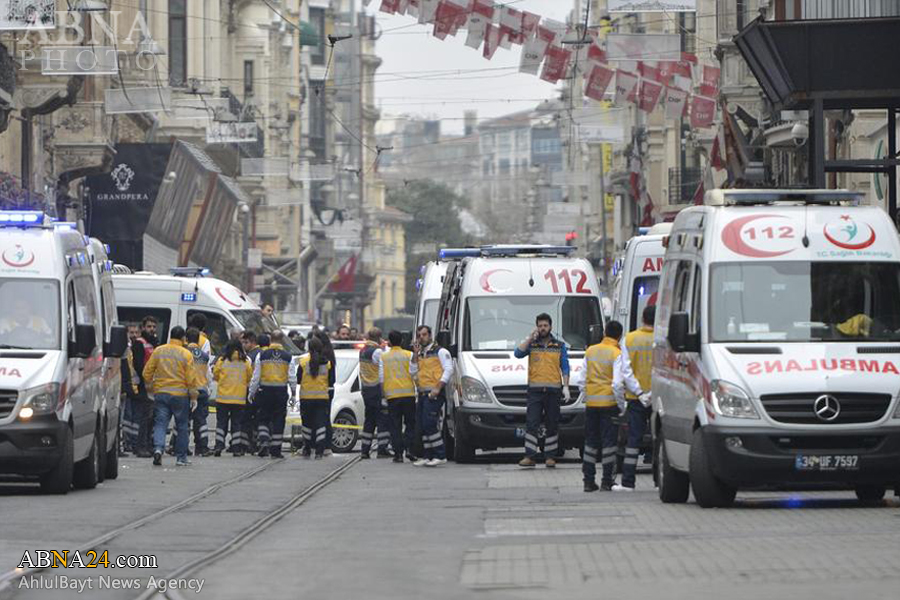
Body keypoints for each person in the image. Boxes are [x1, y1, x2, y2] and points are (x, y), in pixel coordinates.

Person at [573, 320, 644, 492]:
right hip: (610, 404)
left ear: (605, 332)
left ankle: (588, 481)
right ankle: (606, 481)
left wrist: (588, 396)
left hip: (592, 404)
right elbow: (617, 384)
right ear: (619, 335)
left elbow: (581, 380)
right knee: (609, 444)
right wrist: (621, 406)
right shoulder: (616, 353)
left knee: (590, 443)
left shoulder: (590, 350)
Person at [514, 313, 570, 469]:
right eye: (540, 326)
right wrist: (530, 338)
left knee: (552, 424)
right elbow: (517, 353)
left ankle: (550, 457)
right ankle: (530, 456)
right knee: (532, 424)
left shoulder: (559, 346)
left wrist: (566, 386)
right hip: (535, 391)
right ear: (536, 327)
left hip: (554, 391)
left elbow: (565, 367)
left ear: (550, 327)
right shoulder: (532, 345)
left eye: (545, 325)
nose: (542, 328)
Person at [143, 326, 200, 467]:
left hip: (161, 394)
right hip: (180, 396)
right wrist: (193, 397)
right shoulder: (186, 354)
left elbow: (146, 373)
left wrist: (151, 388)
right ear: (183, 338)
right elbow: (191, 379)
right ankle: (181, 458)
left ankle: (157, 449)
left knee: (160, 424)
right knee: (182, 427)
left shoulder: (159, 351)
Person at [617, 306, 656, 491]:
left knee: (633, 440)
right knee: (659, 440)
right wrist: (652, 392)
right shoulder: (663, 339)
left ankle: (628, 483)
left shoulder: (630, 339)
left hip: (636, 398)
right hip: (659, 398)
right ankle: (659, 482)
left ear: (642, 318)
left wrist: (640, 393)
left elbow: (626, 370)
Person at [411, 325, 453, 467]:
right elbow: (412, 371)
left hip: (434, 393)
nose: (421, 338)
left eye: (424, 335)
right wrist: (415, 355)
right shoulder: (420, 353)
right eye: (419, 335)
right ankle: (428, 456)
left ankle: (440, 455)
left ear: (430, 335)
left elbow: (448, 369)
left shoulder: (440, 351)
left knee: (430, 424)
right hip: (422, 393)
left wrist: (438, 388)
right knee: (423, 425)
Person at [249, 330, 293, 458]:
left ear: (270, 340)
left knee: (263, 418)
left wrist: (251, 392)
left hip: (265, 391)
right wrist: (294, 392)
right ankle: (276, 450)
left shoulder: (262, 355)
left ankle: (263, 440)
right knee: (279, 420)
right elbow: (291, 377)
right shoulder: (287, 356)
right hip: (280, 392)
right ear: (282, 340)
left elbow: (256, 376)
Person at [213, 340, 254, 456]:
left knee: (221, 423)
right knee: (236, 424)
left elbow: (215, 375)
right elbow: (249, 378)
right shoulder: (245, 362)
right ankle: (236, 448)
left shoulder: (221, 361)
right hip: (239, 399)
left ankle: (219, 446)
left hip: (222, 398)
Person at [382, 330, 417, 464]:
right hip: (408, 394)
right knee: (410, 424)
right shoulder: (409, 355)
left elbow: (381, 378)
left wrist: (383, 395)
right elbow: (414, 372)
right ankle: (409, 449)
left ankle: (398, 454)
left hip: (392, 396)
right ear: (402, 341)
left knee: (395, 426)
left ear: (389, 342)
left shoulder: (384, 357)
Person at [298, 336, 333, 459]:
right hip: (322, 398)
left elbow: (298, 379)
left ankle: (307, 448)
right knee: (320, 425)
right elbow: (331, 381)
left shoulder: (302, 362)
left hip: (306, 398)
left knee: (307, 425)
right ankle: (319, 451)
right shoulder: (327, 363)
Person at [358, 327, 390, 459]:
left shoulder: (362, 350)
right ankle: (382, 449)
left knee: (369, 420)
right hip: (376, 389)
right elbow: (382, 369)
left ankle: (364, 450)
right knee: (382, 419)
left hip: (366, 389)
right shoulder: (377, 352)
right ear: (379, 338)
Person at [130, 316, 159, 458]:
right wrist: (146, 380)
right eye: (149, 326)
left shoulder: (154, 343)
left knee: (151, 418)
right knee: (144, 418)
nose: (152, 329)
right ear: (143, 328)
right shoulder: (139, 343)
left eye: (154, 326)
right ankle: (140, 447)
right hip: (144, 386)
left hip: (153, 386)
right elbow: (139, 365)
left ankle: (147, 445)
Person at [185, 327, 213, 457]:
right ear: (198, 340)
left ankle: (180, 446)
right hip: (201, 390)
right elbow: (208, 374)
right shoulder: (204, 356)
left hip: (187, 391)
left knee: (184, 420)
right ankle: (202, 447)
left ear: (186, 339)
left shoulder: (183, 353)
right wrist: (209, 388)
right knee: (201, 421)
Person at [313, 330, 337, 455]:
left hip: (324, 390)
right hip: (326, 390)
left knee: (324, 418)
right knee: (324, 417)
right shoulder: (329, 355)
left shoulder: (324, 357)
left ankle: (326, 444)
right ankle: (324, 444)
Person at [120, 324, 141, 455]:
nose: (133, 335)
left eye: (135, 332)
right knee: (126, 417)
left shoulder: (134, 348)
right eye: (131, 332)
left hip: (134, 386)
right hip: (127, 386)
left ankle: (130, 442)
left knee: (131, 417)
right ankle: (126, 442)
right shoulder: (126, 348)